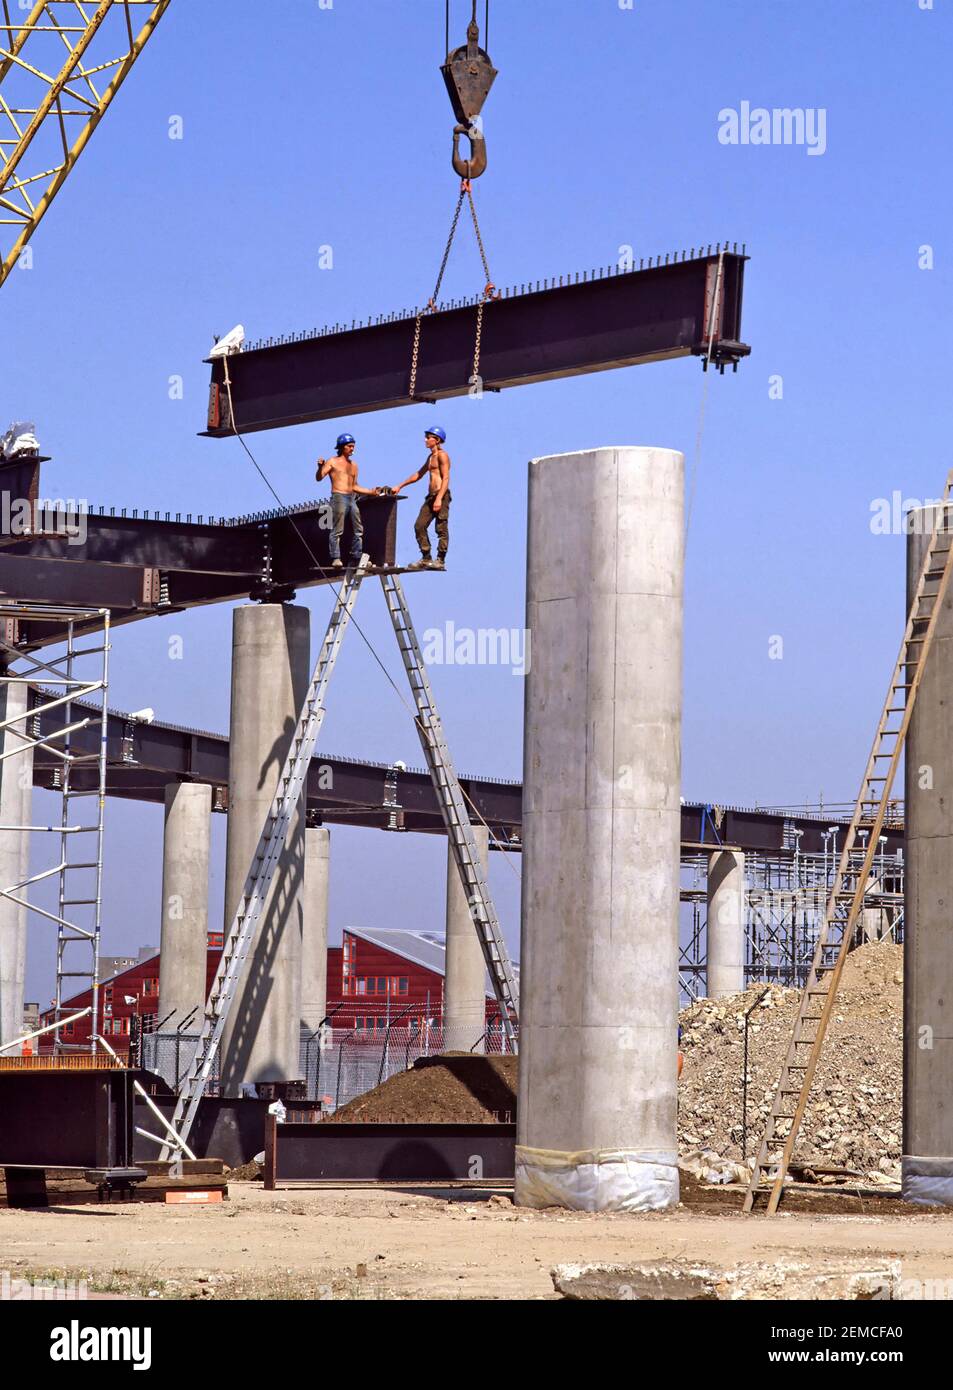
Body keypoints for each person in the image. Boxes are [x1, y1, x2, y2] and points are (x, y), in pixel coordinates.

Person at [316, 433, 380, 568]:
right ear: (342, 447)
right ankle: (336, 557)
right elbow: (319, 477)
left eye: (353, 446)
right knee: (337, 529)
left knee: (358, 528)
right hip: (339, 497)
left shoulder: (354, 465)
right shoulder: (332, 461)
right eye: (349, 446)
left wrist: (371, 492)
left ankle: (357, 556)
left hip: (351, 498)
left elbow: (354, 486)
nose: (352, 449)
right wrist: (320, 467)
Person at [392, 427, 451, 570]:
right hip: (430, 497)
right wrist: (400, 485)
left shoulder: (442, 455)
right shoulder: (431, 457)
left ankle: (440, 560)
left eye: (428, 437)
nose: (425, 440)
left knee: (441, 528)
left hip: (441, 495)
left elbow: (446, 478)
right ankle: (426, 558)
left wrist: (439, 498)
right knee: (419, 525)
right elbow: (419, 474)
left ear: (436, 440)